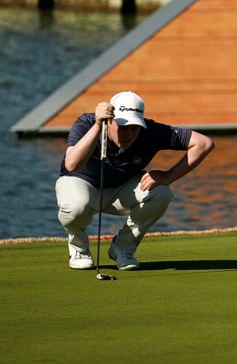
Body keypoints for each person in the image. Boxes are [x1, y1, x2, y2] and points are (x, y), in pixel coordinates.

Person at [56, 91, 215, 270]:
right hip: (81, 183)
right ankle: (79, 248)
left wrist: (168, 176)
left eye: (134, 128)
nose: (128, 134)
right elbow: (72, 165)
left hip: (121, 191)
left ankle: (123, 248)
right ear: (110, 121)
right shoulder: (87, 123)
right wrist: (98, 127)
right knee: (76, 206)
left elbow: (203, 144)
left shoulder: (151, 131)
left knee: (161, 192)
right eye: (122, 127)